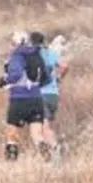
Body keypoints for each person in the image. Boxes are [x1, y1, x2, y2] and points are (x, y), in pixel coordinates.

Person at [0, 31, 52, 162]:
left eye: (11, 43)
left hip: (19, 98)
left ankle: (11, 163)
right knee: (37, 135)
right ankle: (48, 160)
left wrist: (4, 80)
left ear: (15, 43)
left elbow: (15, 75)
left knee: (12, 133)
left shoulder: (17, 55)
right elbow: (47, 78)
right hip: (36, 98)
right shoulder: (36, 54)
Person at [31, 31, 69, 161]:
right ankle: (53, 152)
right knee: (46, 125)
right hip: (53, 93)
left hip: (40, 94)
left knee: (44, 127)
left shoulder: (33, 54)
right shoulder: (50, 53)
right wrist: (58, 79)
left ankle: (55, 149)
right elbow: (64, 65)